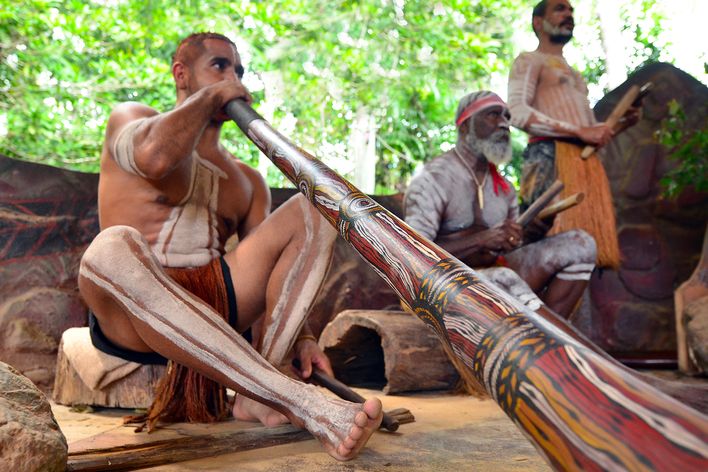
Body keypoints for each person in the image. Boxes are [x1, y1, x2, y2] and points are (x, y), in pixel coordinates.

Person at [78, 32, 381, 461]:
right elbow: (154, 160)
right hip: (130, 312)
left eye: (238, 71)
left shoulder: (246, 180)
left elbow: (279, 270)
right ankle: (295, 400)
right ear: (180, 74)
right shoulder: (132, 120)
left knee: (315, 206)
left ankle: (259, 394)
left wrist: (304, 337)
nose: (233, 78)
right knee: (110, 246)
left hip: (218, 300)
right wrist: (214, 97)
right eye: (219, 66)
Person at [404, 91, 596, 319]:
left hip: (496, 277)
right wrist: (482, 239)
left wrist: (534, 231)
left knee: (581, 244)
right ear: (465, 126)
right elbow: (412, 255)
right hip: (441, 285)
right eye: (493, 115)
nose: (504, 124)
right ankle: (549, 343)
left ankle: (546, 334)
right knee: (504, 278)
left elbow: (510, 246)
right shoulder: (433, 179)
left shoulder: (504, 189)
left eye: (507, 117)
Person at [507, 0, 639, 268]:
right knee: (543, 244)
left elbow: (592, 134)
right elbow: (517, 111)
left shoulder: (576, 76)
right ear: (537, 22)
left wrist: (623, 124)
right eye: (560, 9)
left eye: (571, 10)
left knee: (588, 252)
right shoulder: (530, 60)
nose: (568, 14)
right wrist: (579, 131)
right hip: (548, 158)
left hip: (584, 164)